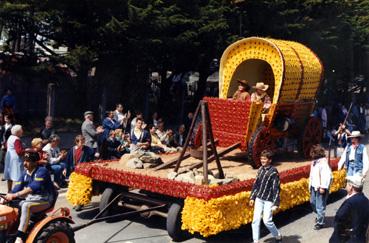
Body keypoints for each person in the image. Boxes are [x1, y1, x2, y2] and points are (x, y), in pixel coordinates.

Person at [3, 149, 56, 243]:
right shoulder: (25, 173)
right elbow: (17, 187)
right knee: (11, 204)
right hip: (32, 198)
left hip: (45, 199)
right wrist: (8, 196)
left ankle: (20, 237)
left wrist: (15, 194)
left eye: (28, 161)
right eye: (24, 160)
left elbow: (34, 187)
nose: (24, 163)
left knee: (26, 206)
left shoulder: (42, 171)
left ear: (35, 162)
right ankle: (9, 231)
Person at [249, 150, 282, 243]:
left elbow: (276, 188)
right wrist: (252, 197)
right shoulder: (260, 169)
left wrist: (276, 204)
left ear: (270, 160)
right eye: (261, 158)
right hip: (259, 198)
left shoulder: (273, 172)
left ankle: (278, 236)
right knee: (255, 221)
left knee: (267, 221)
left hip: (269, 200)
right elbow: (256, 185)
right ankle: (256, 240)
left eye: (264, 159)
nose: (262, 160)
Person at [329, 175, 369, 243]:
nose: (345, 186)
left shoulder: (350, 202)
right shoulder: (366, 200)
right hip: (361, 238)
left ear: (351, 187)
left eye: (347, 184)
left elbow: (338, 218)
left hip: (347, 239)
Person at [309, 144, 332, 230]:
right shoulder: (314, 162)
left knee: (319, 205)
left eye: (312, 152)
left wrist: (323, 187)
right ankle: (320, 214)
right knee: (312, 202)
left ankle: (320, 222)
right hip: (313, 186)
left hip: (320, 187)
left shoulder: (323, 163)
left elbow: (326, 176)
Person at [3, 125, 24, 192]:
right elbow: (19, 151)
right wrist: (26, 150)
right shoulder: (17, 139)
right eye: (21, 130)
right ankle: (18, 191)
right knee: (19, 175)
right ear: (18, 132)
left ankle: (9, 190)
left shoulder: (10, 137)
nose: (22, 132)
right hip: (15, 159)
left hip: (9, 158)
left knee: (10, 175)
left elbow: (6, 146)